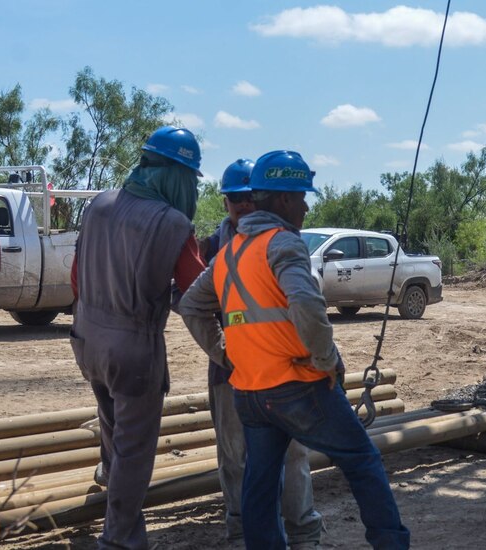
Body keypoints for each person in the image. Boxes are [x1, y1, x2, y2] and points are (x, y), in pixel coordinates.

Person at [178, 150, 410, 550]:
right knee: (362, 460)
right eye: (302, 197)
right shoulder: (283, 243)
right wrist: (327, 360)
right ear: (283, 200)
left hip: (249, 393)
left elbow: (191, 305)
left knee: (260, 484)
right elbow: (305, 304)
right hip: (298, 386)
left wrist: (226, 356)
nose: (305, 206)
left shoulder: (229, 253)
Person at [69, 125, 206, 549]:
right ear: (176, 176)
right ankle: (120, 538)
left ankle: (110, 486)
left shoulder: (98, 206)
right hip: (134, 352)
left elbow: (75, 278)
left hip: (86, 339)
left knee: (112, 426)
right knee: (134, 449)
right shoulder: (171, 223)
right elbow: (197, 290)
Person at [201, 158, 323, 548]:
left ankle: (303, 532)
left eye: (247, 198)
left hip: (285, 372)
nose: (242, 206)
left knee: (292, 456)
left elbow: (304, 301)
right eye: (234, 199)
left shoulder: (281, 243)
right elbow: (190, 303)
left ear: (259, 197)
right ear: (226, 203)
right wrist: (223, 352)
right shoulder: (210, 249)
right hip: (232, 374)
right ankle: (242, 534)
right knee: (235, 458)